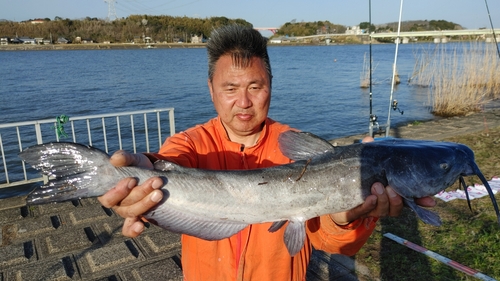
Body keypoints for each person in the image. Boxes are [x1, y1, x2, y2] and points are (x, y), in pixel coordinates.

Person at [98, 25, 435, 281]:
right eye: (230, 88)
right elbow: (167, 163)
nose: (243, 102)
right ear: (211, 90)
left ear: (271, 85)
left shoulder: (300, 148)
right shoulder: (192, 143)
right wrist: (139, 178)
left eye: (255, 87)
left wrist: (347, 216)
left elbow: (334, 244)